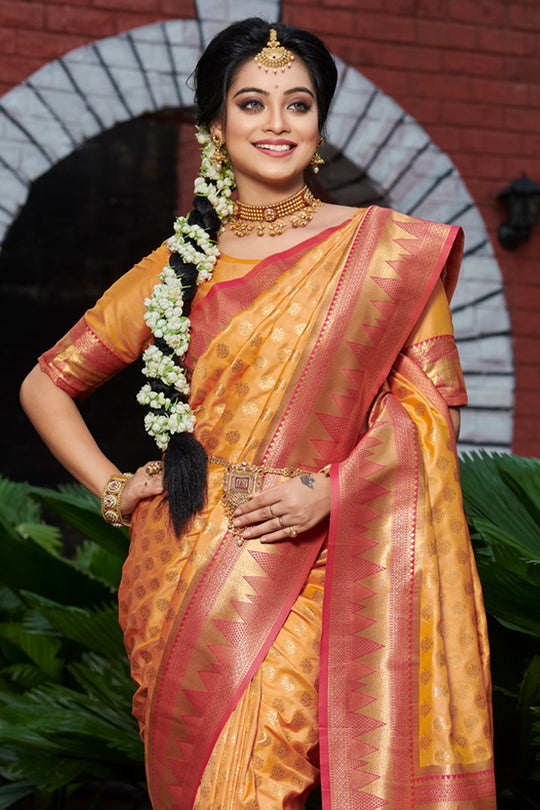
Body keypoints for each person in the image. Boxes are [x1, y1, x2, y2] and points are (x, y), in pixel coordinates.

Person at [20, 17, 497, 810]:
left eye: (298, 104)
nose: (277, 124)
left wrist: (329, 493)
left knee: (254, 786)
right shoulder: (178, 265)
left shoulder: (387, 254)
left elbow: (431, 418)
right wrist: (113, 488)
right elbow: (47, 385)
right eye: (252, 103)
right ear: (215, 125)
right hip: (177, 566)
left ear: (319, 122)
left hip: (311, 557)